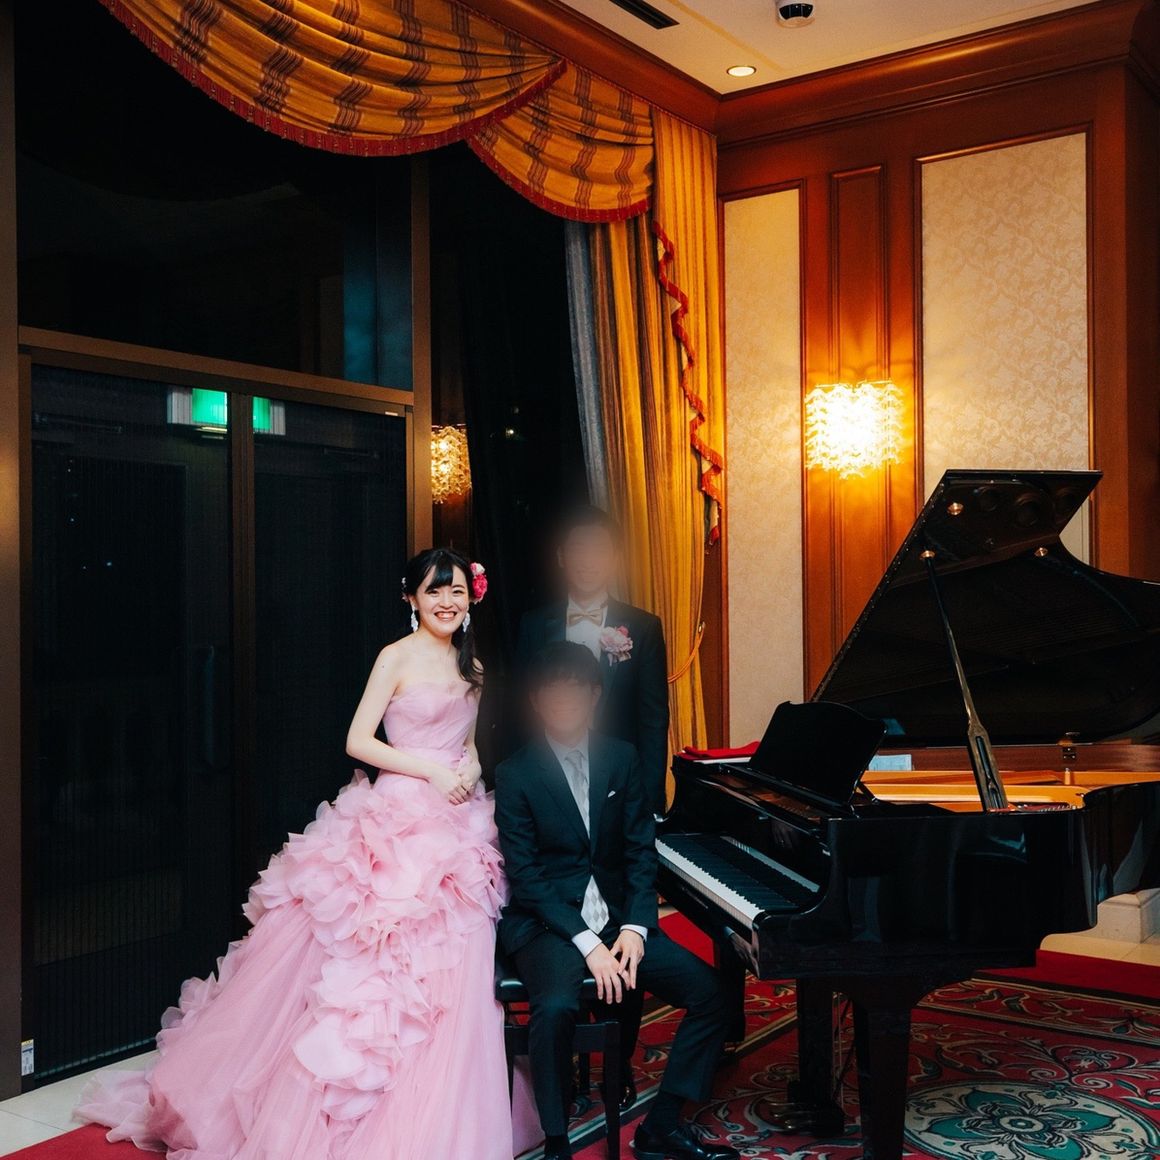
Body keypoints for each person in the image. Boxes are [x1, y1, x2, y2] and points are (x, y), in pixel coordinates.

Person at [77, 548, 537, 1159]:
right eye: (434, 591)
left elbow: (472, 742)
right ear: (411, 598)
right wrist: (429, 770)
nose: (446, 602)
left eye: (456, 592)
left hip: (458, 825)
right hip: (397, 820)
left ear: (470, 599)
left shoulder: (471, 662)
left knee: (455, 970)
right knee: (369, 972)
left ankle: (444, 1114)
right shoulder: (394, 657)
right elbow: (358, 740)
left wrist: (471, 768)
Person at [495, 641, 739, 1160]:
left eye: (574, 691)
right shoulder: (516, 773)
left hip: (617, 918)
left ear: (594, 695)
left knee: (712, 994)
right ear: (536, 700)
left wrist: (635, 926)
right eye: (552, 692)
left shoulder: (621, 758)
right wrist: (588, 944)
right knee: (555, 1006)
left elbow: (639, 852)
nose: (564, 701)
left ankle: (662, 1126)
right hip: (548, 924)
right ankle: (556, 1141)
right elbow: (527, 877)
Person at [517, 506, 670, 820]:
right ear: (561, 557)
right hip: (549, 780)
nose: (588, 560)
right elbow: (521, 708)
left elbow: (653, 721)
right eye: (578, 548)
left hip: (619, 783)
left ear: (615, 558)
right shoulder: (533, 624)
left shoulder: (643, 628)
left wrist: (651, 803)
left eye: (599, 549)